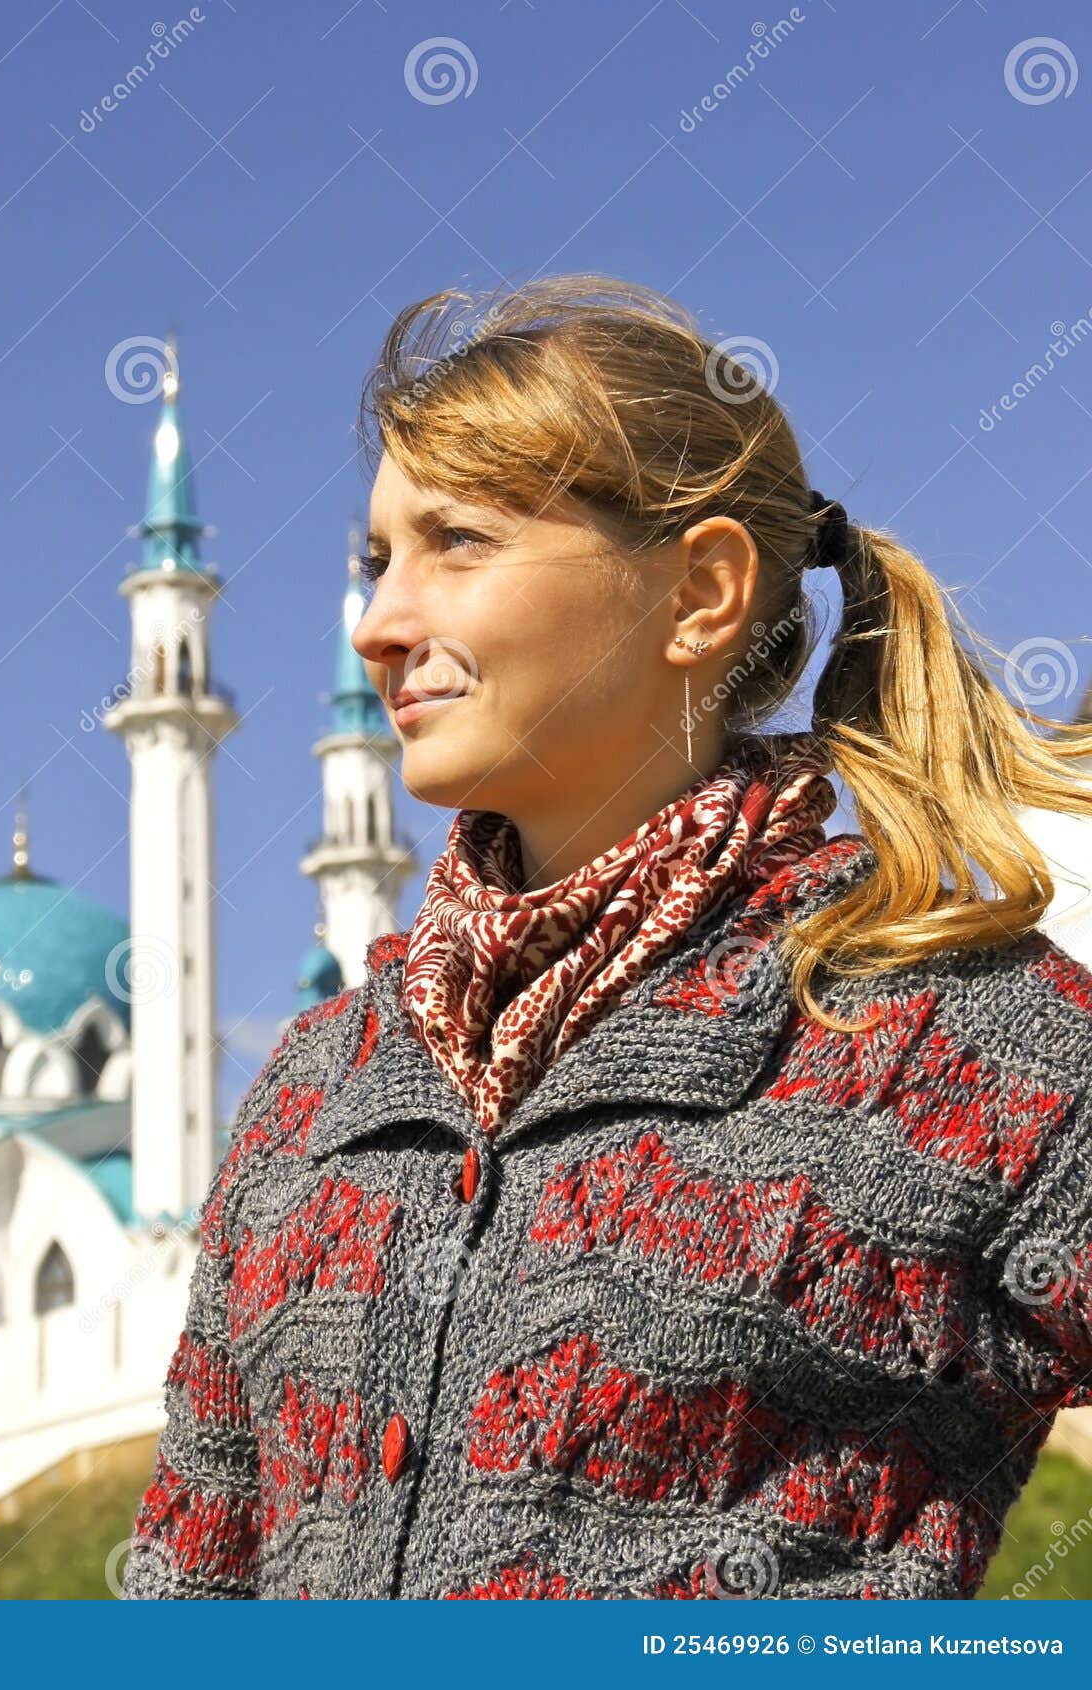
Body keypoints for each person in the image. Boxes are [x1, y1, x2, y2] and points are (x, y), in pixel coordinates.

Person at [120, 274, 1092, 1600]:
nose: (380, 626)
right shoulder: (313, 1096)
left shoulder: (938, 1031)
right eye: (375, 560)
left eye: (457, 542)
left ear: (696, 592)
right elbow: (188, 1590)